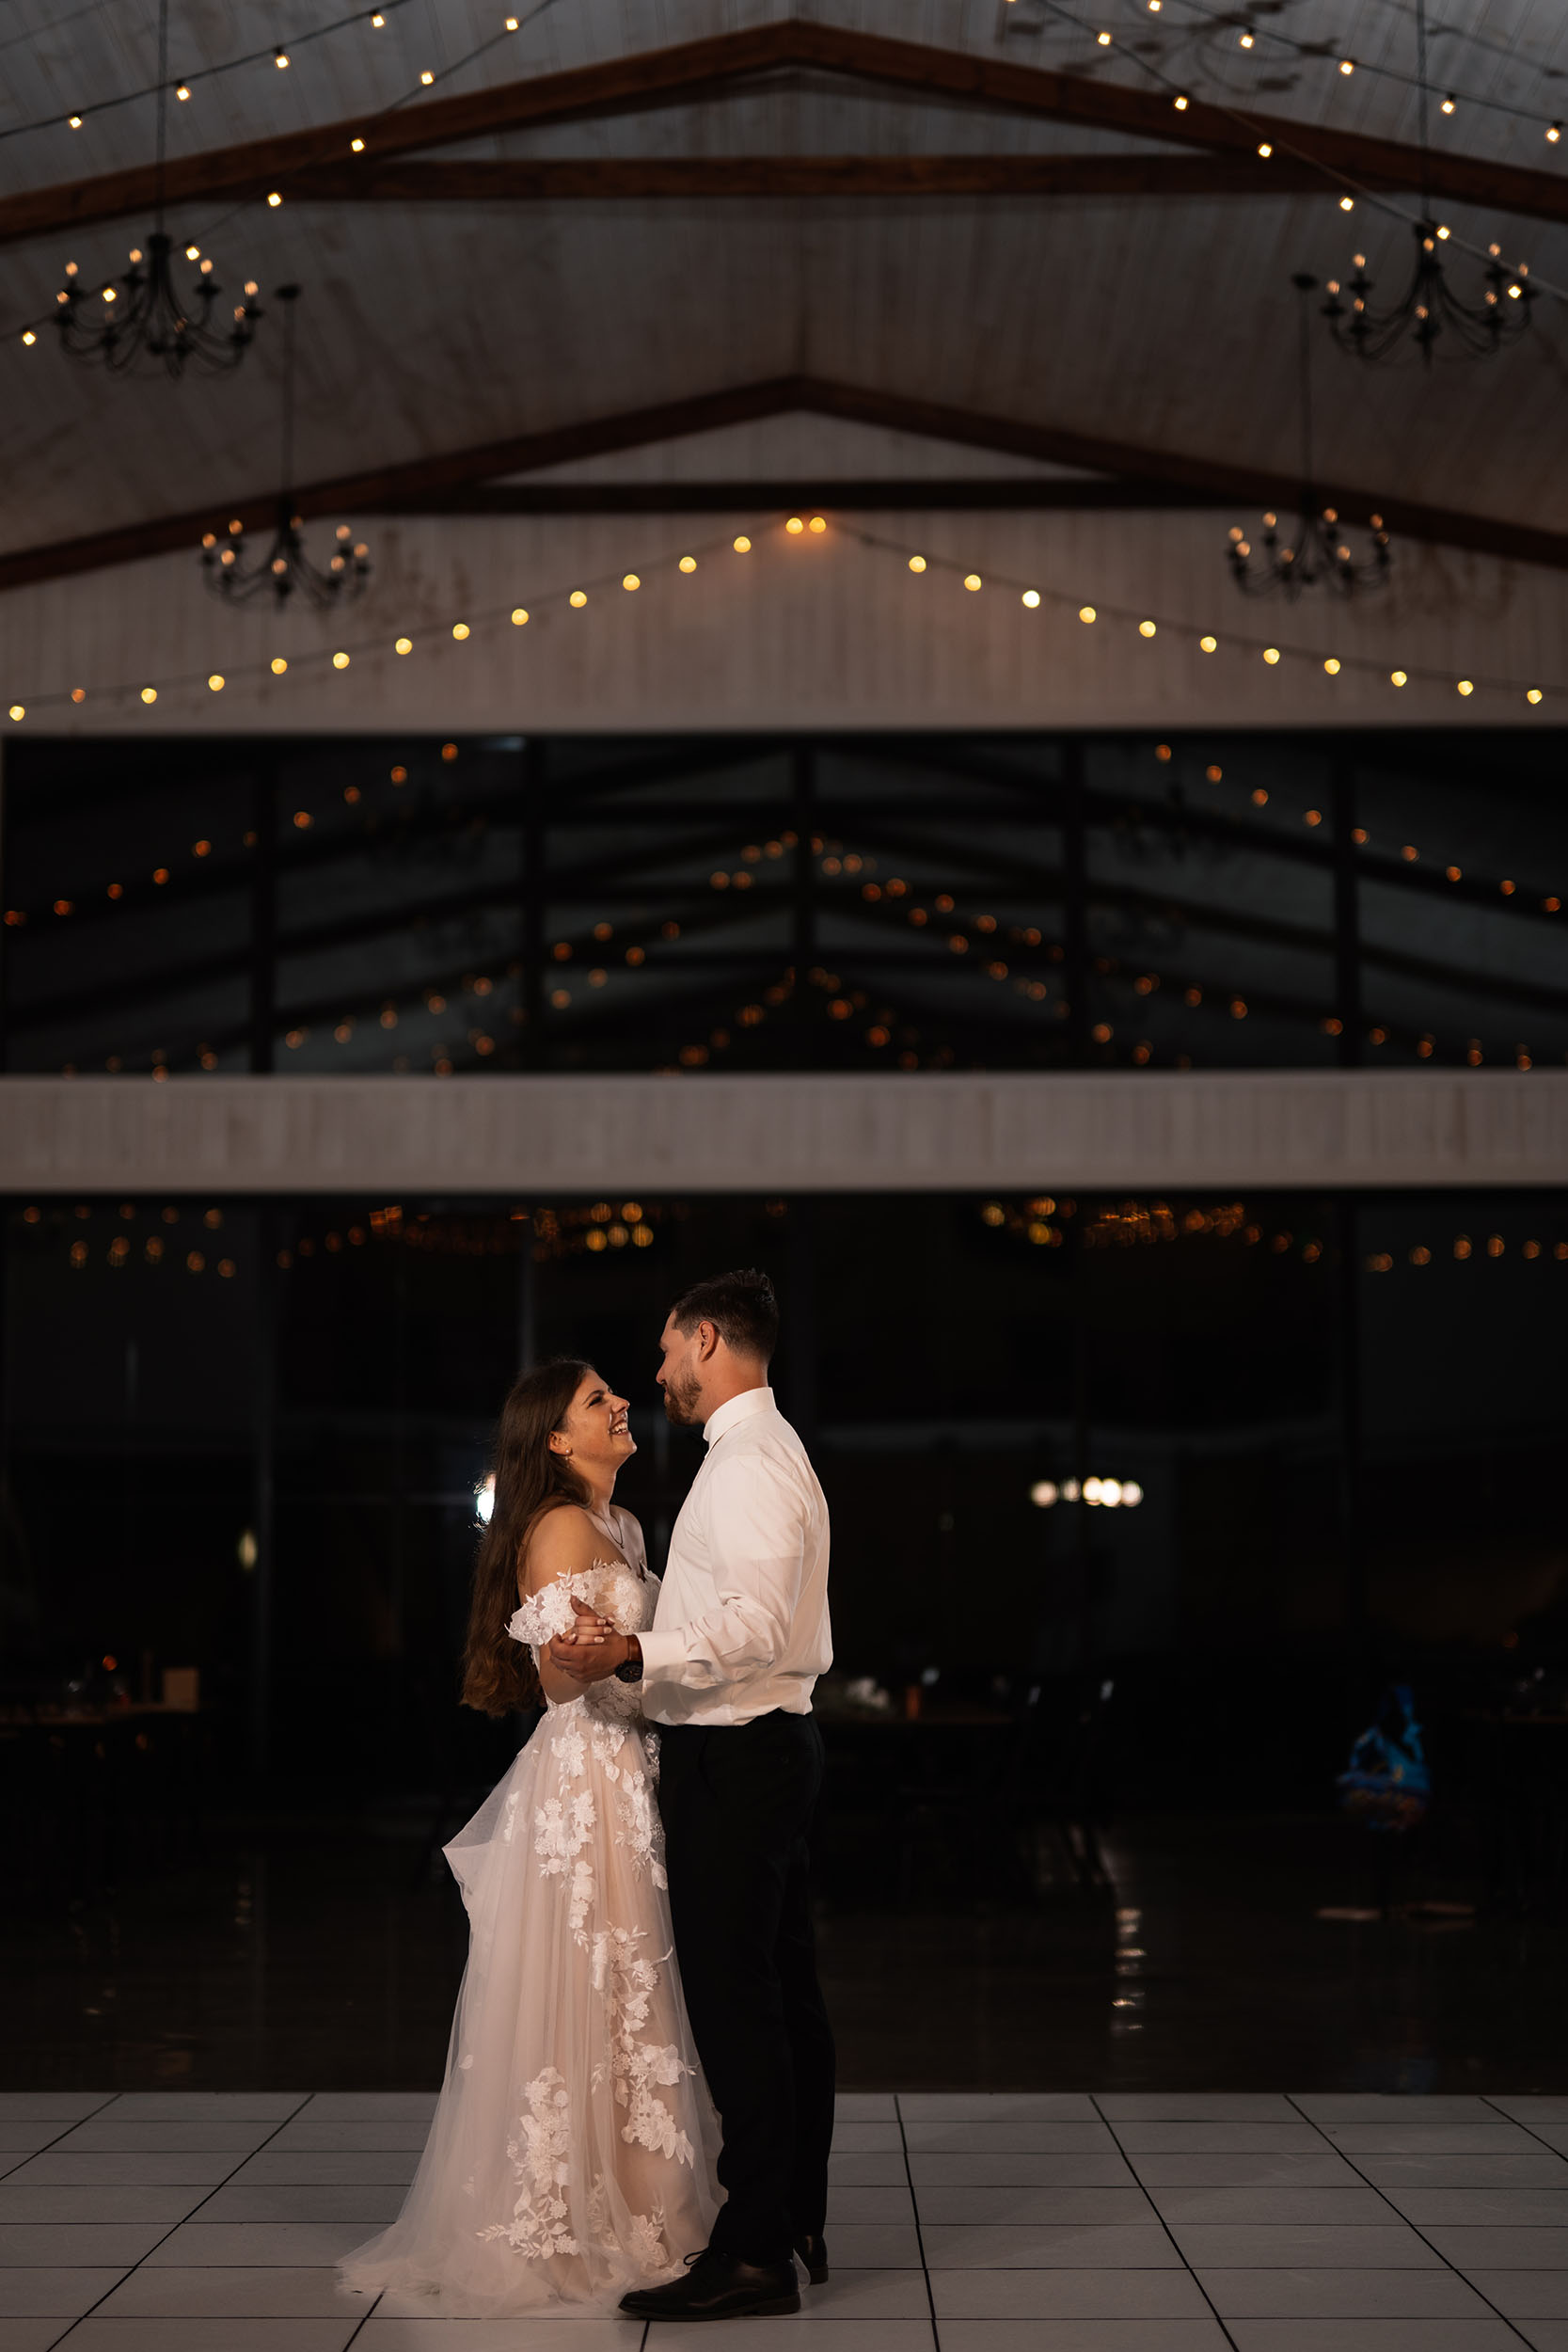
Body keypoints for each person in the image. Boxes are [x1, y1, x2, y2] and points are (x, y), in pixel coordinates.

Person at [338, 1359, 720, 2317]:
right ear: (555, 1436)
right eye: (598, 1400)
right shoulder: (553, 1527)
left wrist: (650, 1663)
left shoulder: (623, 1526)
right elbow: (560, 1682)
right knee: (590, 1978)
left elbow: (633, 1651)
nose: (620, 1403)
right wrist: (626, 1667)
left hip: (631, 1770)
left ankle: (642, 2201)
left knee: (632, 1985)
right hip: (585, 1780)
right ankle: (562, 2216)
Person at [547, 1266, 836, 2324]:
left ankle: (755, 2248)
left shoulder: (751, 1462)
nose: (658, 1371)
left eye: (668, 1350)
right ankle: (791, 2214)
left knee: (739, 2004)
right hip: (764, 1748)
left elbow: (754, 1630)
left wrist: (631, 1643)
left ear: (706, 1339)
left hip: (742, 1755)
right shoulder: (761, 1452)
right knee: (782, 1997)